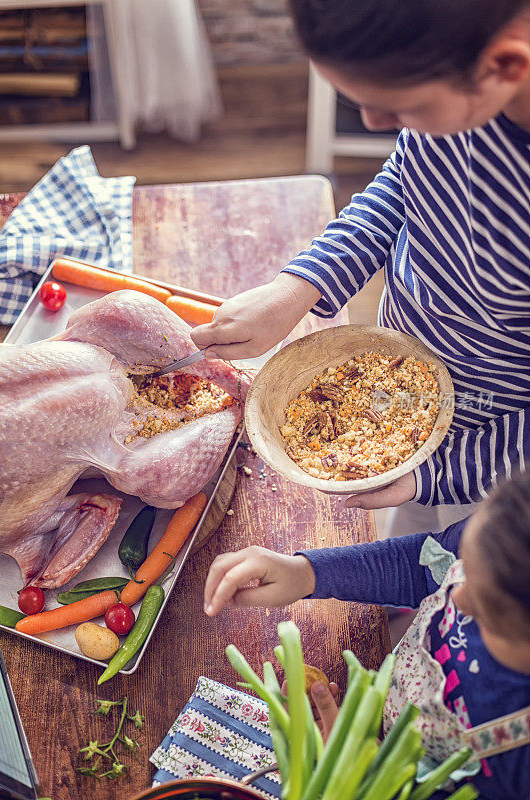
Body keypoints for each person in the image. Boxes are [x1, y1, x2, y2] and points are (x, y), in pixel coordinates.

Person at [192, 0, 530, 536]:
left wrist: (442, 475)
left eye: (401, 107)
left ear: (506, 67)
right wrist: (300, 287)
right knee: (409, 533)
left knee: (446, 569)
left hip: (494, 455)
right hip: (398, 395)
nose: (373, 124)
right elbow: (410, 181)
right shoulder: (455, 85)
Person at [203, 470, 530, 799]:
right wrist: (306, 573)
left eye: (484, 610)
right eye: (465, 572)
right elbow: (425, 566)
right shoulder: (514, 528)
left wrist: (365, 774)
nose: (455, 597)